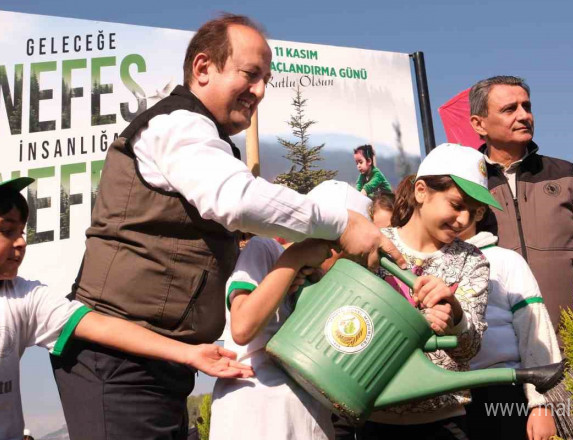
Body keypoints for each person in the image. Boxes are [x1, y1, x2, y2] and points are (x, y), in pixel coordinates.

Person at [51, 13, 405, 440]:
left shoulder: (210, 140)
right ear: (203, 68)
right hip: (116, 356)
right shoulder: (178, 125)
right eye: (250, 75)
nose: (259, 91)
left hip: (160, 359)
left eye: (265, 81)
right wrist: (338, 224)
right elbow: (237, 199)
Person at [0, 167, 252, 439]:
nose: (20, 243)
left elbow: (101, 325)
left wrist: (188, 354)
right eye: (5, 231)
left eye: (21, 231)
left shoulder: (23, 298)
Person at [360, 144, 502, 439]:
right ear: (422, 191)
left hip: (445, 420)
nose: (464, 220)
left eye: (474, 211)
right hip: (373, 414)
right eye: (457, 204)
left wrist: (456, 315)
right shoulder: (371, 245)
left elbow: (469, 349)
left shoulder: (473, 260)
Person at [211, 181, 372, 440]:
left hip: (309, 418)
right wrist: (294, 259)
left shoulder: (332, 286)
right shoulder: (265, 250)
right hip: (254, 412)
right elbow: (242, 327)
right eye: (346, 251)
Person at [469, 75, 573, 334]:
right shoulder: (469, 186)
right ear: (479, 124)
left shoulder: (568, 175)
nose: (524, 116)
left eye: (527, 107)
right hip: (501, 350)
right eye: (510, 109)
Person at [458, 209, 561, 440]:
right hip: (446, 398)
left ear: (478, 212)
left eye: (461, 204)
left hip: (502, 391)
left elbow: (533, 329)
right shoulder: (425, 263)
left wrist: (541, 403)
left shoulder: (506, 260)